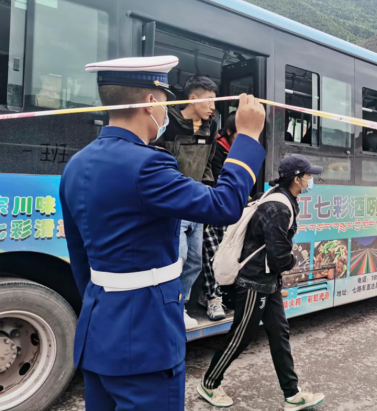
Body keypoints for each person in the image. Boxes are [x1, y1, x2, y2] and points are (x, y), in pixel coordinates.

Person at [59, 56, 266, 411]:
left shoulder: (76, 164)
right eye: (165, 100)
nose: (166, 110)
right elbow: (225, 205)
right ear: (151, 102)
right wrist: (246, 137)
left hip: (98, 328)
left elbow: (80, 258)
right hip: (146, 336)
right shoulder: (148, 164)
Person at [199, 155, 325, 410]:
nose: (311, 179)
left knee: (279, 333)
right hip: (254, 281)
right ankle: (209, 384)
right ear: (296, 178)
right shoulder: (278, 207)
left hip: (267, 280)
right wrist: (293, 260)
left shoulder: (282, 198)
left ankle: (292, 394)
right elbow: (279, 257)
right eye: (308, 175)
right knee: (242, 335)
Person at [157, 74, 220, 329]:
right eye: (209, 100)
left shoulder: (211, 127)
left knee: (194, 261)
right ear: (193, 98)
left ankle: (180, 305)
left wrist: (208, 193)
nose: (213, 107)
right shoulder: (167, 122)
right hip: (172, 202)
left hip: (196, 203)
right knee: (178, 257)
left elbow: (208, 163)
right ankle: (170, 307)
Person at [200, 113, 238, 322]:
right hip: (212, 208)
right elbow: (217, 183)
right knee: (213, 254)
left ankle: (214, 294)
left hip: (228, 210)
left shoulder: (237, 152)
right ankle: (213, 298)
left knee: (227, 254)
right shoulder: (217, 150)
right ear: (229, 132)